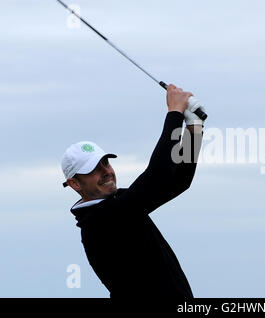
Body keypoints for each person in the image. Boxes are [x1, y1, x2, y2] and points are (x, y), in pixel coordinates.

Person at [61, 85, 205, 300]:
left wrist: (194, 127)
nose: (107, 172)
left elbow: (178, 181)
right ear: (75, 184)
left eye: (105, 163)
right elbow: (157, 175)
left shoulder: (119, 204)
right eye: (94, 169)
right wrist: (174, 113)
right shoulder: (98, 222)